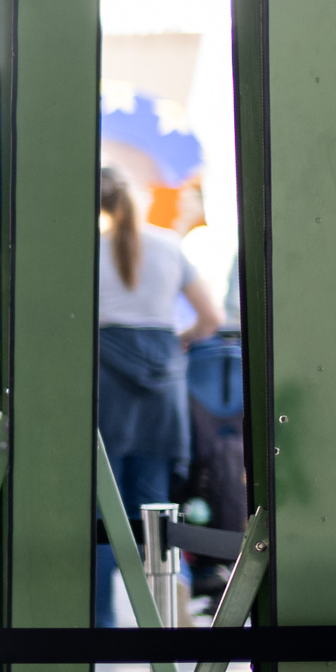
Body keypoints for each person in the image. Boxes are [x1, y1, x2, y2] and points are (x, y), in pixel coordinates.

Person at [96, 166, 221, 618]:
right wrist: (178, 341)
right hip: (162, 384)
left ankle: (99, 623)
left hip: (107, 384)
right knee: (155, 506)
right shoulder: (170, 246)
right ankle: (171, 603)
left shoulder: (87, 250)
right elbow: (211, 319)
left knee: (102, 510)